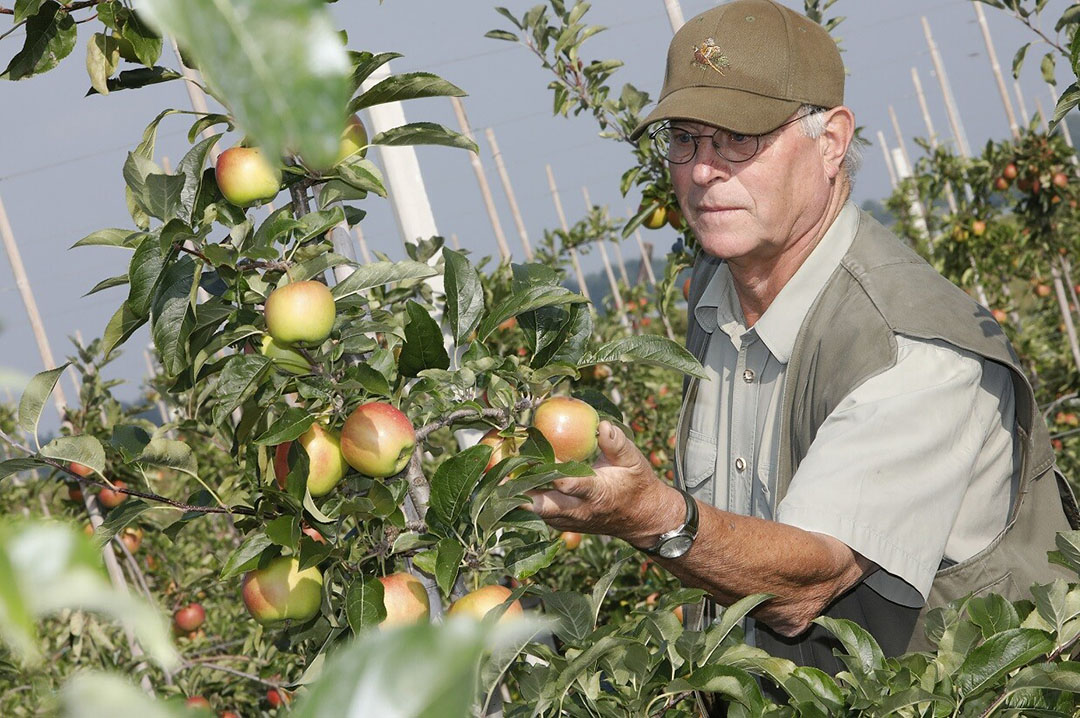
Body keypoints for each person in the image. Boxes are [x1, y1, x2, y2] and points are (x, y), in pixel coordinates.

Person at [525, 0, 1079, 690]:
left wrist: (655, 517)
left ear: (831, 141)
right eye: (686, 139)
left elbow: (806, 586)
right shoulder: (716, 292)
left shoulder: (910, 344)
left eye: (738, 139)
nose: (703, 171)